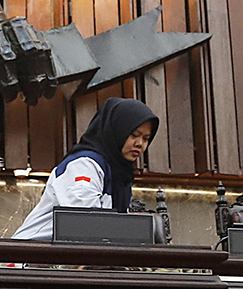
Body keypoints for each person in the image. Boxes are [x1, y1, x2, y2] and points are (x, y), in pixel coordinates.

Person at [12, 97, 159, 241]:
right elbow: (87, 223)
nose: (140, 144)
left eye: (146, 138)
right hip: (29, 256)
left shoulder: (120, 176)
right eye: (134, 135)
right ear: (116, 130)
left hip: (64, 258)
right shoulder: (84, 165)